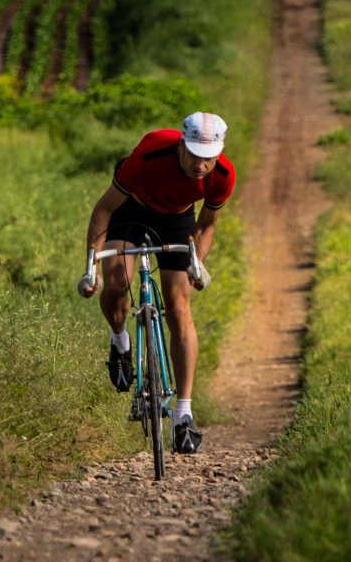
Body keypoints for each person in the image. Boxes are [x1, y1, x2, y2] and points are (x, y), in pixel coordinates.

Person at [77, 110, 234, 455]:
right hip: (131, 210)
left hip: (177, 219)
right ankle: (120, 342)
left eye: (209, 158)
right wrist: (93, 268)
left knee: (179, 307)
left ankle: (184, 415)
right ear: (181, 144)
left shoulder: (222, 174)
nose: (201, 165)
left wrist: (197, 264)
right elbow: (103, 210)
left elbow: (207, 224)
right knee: (118, 280)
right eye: (194, 154)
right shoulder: (151, 152)